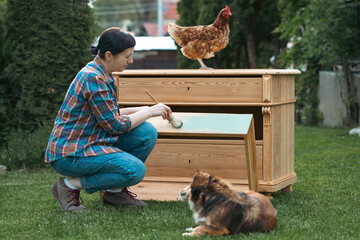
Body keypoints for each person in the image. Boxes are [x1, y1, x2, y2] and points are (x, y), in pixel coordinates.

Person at [45, 27, 172, 211]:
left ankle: (114, 193)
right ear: (109, 55)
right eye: (127, 56)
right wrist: (150, 112)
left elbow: (110, 113)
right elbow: (115, 126)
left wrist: (145, 109)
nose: (131, 60)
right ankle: (68, 185)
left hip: (91, 142)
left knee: (146, 132)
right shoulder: (93, 78)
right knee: (135, 170)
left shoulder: (103, 74)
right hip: (72, 153)